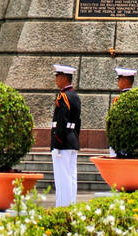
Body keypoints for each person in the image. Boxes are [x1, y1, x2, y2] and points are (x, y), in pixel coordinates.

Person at [50, 63, 81, 207]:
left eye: (58, 76)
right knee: (71, 176)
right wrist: (75, 137)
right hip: (72, 140)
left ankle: (62, 206)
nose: (56, 79)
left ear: (64, 78)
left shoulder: (64, 97)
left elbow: (61, 122)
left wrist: (57, 142)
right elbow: (78, 122)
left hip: (62, 142)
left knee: (62, 178)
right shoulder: (75, 96)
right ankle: (71, 203)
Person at [108, 67, 136, 156]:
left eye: (119, 79)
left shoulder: (119, 99)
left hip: (120, 139)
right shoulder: (136, 98)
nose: (118, 82)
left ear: (125, 80)